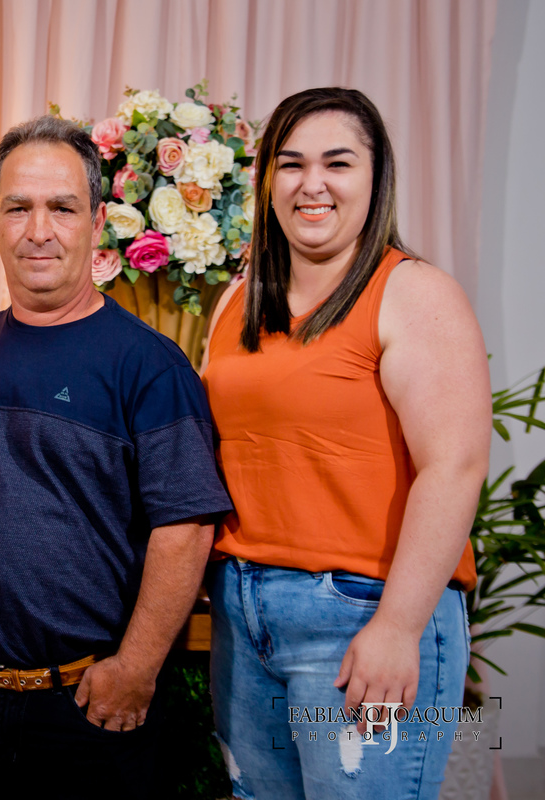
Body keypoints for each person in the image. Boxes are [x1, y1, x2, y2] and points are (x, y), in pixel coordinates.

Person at [0, 115, 233, 797]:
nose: (39, 230)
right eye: (18, 208)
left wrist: (136, 668)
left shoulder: (150, 366)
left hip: (86, 708)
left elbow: (186, 529)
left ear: (96, 223)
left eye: (61, 208)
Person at [201, 87, 490, 799]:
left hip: (365, 612)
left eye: (338, 163)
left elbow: (454, 466)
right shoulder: (238, 299)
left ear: (375, 176)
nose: (313, 184)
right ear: (267, 180)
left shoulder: (414, 293)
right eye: (291, 163)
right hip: (244, 613)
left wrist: (398, 626)